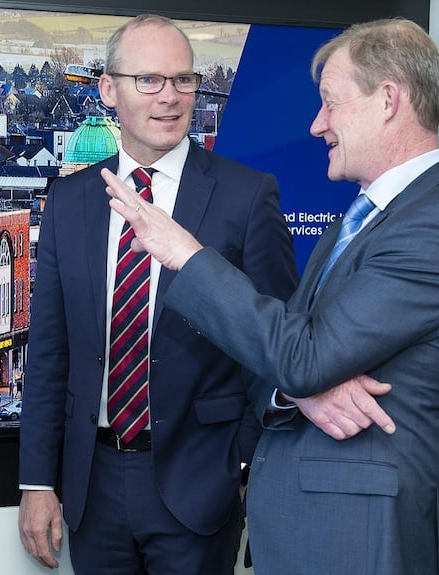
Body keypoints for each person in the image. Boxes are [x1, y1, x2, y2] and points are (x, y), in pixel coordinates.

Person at [104, 18, 439, 575]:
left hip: (361, 543)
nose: (317, 126)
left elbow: (302, 354)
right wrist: (298, 392)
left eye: (330, 104)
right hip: (308, 535)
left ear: (388, 99)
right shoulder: (367, 220)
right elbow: (287, 354)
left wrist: (185, 255)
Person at [17, 14, 299, 574]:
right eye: (149, 80)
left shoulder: (246, 197)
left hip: (201, 487)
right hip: (91, 487)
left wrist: (241, 466)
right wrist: (37, 482)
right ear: (108, 89)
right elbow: (49, 351)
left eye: (183, 80)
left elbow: (277, 344)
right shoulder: (70, 200)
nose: (170, 97)